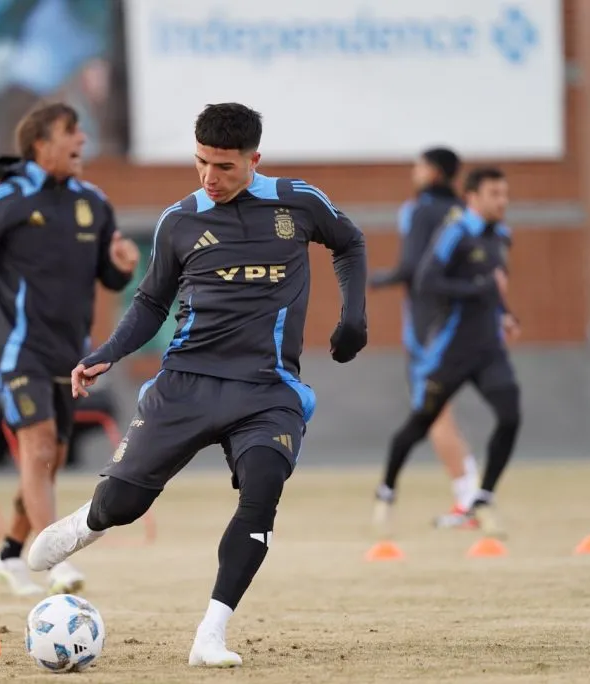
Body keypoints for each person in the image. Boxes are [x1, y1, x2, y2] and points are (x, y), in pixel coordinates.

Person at [25, 103, 369, 667]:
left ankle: (211, 633)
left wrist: (353, 319)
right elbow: (151, 301)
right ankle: (88, 520)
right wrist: (107, 354)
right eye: (201, 162)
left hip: (267, 389)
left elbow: (350, 243)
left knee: (262, 493)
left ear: (254, 160)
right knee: (124, 506)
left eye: (224, 167)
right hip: (187, 382)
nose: (210, 177)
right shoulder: (180, 220)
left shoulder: (299, 203)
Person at [0, 101, 139, 596]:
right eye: (70, 131)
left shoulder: (94, 203)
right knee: (35, 448)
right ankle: (55, 559)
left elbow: (107, 272)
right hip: (17, 351)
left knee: (48, 460)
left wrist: (123, 265)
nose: (81, 140)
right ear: (40, 143)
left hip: (68, 355)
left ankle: (11, 554)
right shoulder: (6, 199)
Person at [373, 167, 521, 539]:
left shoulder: (502, 236)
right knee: (420, 423)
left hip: (489, 350)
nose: (502, 201)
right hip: (451, 350)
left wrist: (507, 315)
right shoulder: (454, 232)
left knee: (510, 415)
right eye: (494, 194)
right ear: (472, 196)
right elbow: (427, 281)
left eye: (505, 194)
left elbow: (496, 288)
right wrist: (479, 286)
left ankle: (482, 498)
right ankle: (386, 490)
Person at [369, 147, 480, 526]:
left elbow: (411, 267)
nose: (414, 172)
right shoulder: (465, 210)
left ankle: (468, 502)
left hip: (428, 323)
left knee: (434, 413)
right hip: (464, 320)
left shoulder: (418, 210)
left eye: (419, 166)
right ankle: (470, 496)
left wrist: (372, 279)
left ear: (432, 172)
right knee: (440, 410)